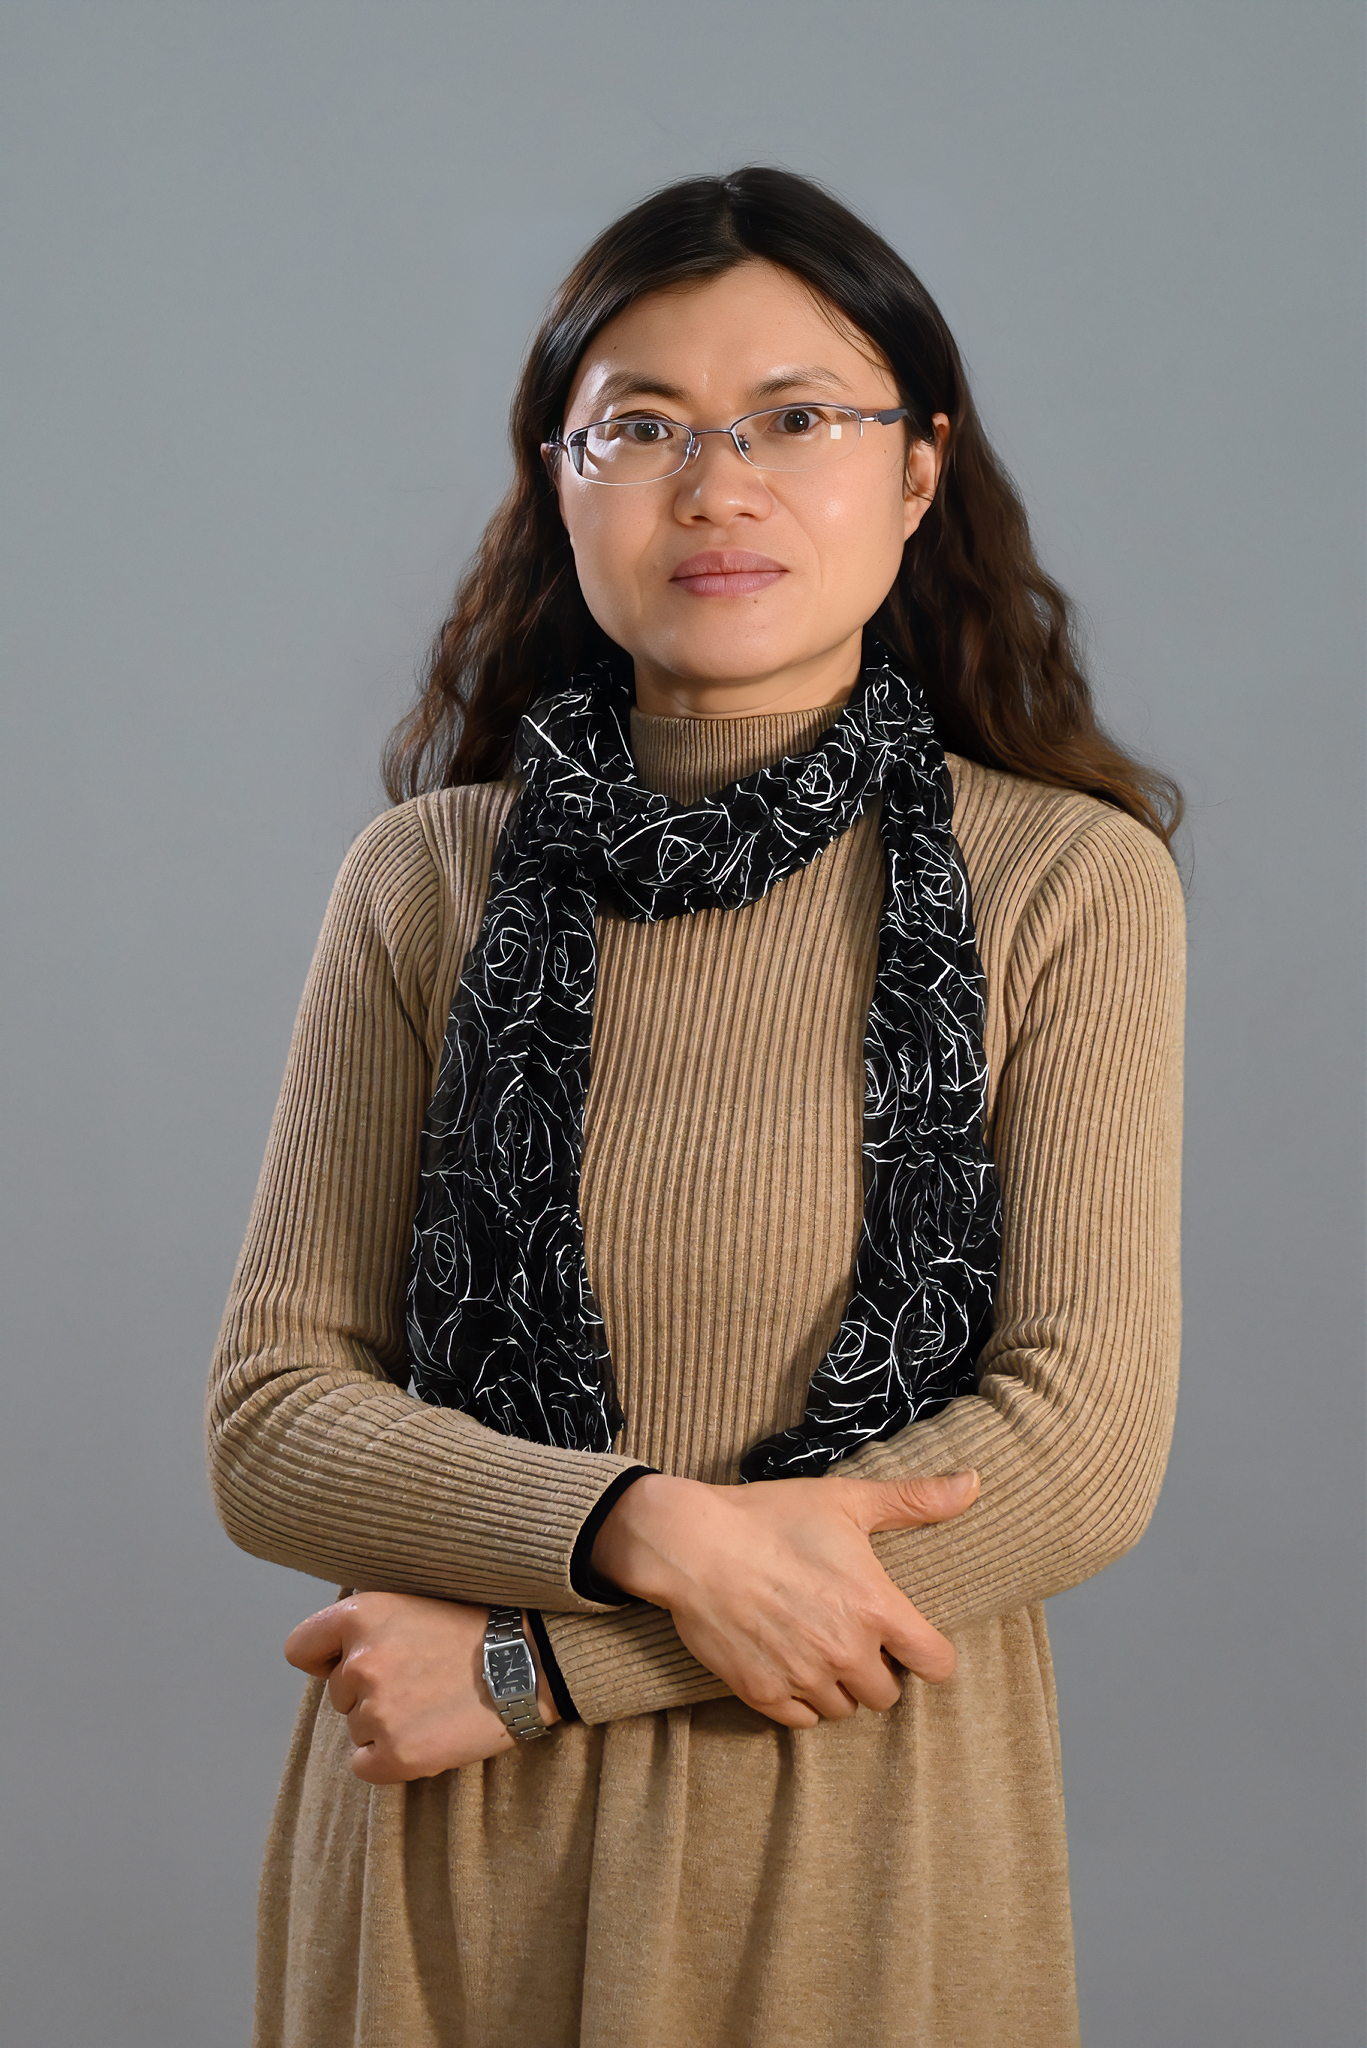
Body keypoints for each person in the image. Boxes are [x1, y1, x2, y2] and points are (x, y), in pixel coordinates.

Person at [208, 166, 1185, 2048]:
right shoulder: (427, 882)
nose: (718, 487)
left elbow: (1077, 1445)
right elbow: (275, 1421)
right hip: (446, 1852)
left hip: (851, 1817)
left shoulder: (1065, 885)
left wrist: (542, 1665)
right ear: (558, 480)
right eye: (641, 427)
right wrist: (647, 1530)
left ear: (919, 469)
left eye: (796, 420)